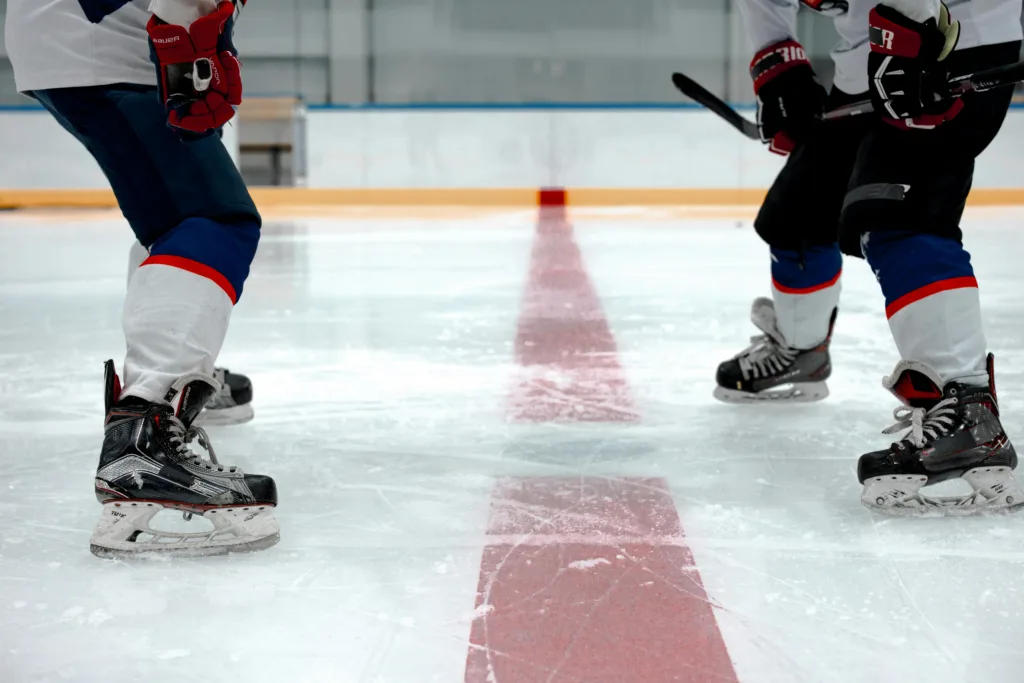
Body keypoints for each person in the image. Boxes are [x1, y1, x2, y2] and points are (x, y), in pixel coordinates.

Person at [718, 0, 1022, 515]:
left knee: (898, 215)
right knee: (799, 214)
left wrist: (910, 34)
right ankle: (801, 349)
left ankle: (970, 413)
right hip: (869, 60)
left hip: (954, 39)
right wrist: (779, 68)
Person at [4, 0, 279, 555]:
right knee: (210, 221)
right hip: (114, 43)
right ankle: (146, 425)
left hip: (73, 36)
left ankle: (180, 379)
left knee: (171, 218)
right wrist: (189, 41)